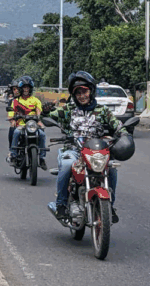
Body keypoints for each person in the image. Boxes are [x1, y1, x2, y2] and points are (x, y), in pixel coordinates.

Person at [44, 71, 130, 224]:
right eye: (78, 92)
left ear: (91, 91)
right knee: (66, 164)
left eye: (84, 91)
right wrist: (45, 111)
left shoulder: (102, 111)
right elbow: (49, 116)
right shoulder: (68, 110)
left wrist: (123, 135)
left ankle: (109, 206)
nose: (82, 95)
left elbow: (117, 125)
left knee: (112, 169)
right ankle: (61, 205)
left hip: (96, 151)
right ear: (74, 94)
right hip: (73, 150)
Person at [8, 76, 47, 170]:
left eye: (28, 88)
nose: (26, 90)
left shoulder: (35, 100)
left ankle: (42, 158)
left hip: (33, 125)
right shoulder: (15, 101)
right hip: (21, 125)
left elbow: (38, 111)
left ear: (30, 89)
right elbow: (10, 114)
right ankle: (13, 155)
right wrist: (13, 121)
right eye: (24, 87)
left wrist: (39, 120)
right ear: (21, 89)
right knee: (16, 132)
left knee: (42, 134)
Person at [6, 82, 21, 148]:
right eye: (14, 89)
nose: (16, 91)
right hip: (18, 123)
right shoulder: (12, 101)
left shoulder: (31, 99)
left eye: (18, 89)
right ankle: (12, 149)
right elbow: (10, 113)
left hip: (30, 122)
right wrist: (12, 120)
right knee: (12, 129)